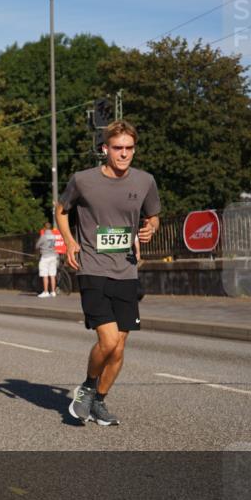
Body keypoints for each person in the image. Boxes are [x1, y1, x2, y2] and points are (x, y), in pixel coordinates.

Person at [56, 120, 160, 427]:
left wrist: (149, 230)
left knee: (121, 344)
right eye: (118, 148)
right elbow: (61, 210)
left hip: (127, 270)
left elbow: (153, 216)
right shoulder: (83, 180)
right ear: (105, 149)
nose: (124, 154)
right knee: (109, 339)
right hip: (92, 268)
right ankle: (87, 386)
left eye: (129, 148)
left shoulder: (144, 181)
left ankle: (99, 401)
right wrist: (71, 242)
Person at [36, 222, 59, 298]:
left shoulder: (43, 236)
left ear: (44, 228)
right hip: (53, 256)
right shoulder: (53, 236)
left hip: (45, 256)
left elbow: (37, 245)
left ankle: (46, 292)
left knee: (45, 275)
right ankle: (53, 292)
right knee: (52, 275)